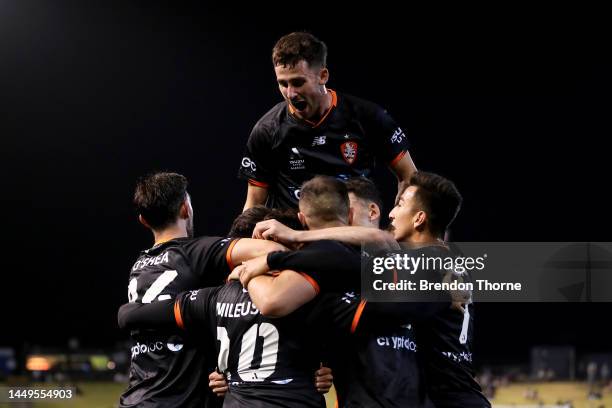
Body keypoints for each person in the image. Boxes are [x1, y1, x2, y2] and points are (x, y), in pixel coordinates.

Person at [245, 171, 491, 407]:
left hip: (447, 398)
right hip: (452, 393)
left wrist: (291, 244)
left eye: (400, 205)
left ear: (419, 219)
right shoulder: (443, 260)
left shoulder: (427, 264)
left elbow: (358, 253)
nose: (392, 214)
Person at [119, 172, 285, 408]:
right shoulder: (196, 252)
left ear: (143, 221)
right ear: (185, 209)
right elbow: (275, 250)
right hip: (181, 400)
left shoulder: (139, 267)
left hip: (135, 398)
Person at [239, 31, 416, 211]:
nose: (290, 94)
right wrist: (236, 239)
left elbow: (410, 178)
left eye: (298, 82)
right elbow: (254, 204)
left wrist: (400, 224)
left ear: (323, 76)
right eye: (283, 84)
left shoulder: (369, 116)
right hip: (291, 234)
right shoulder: (267, 130)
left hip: (350, 233)